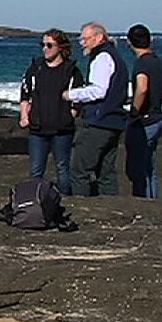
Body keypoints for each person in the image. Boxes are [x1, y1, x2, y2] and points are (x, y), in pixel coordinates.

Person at [62, 22, 129, 196]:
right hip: (113, 121)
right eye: (81, 39)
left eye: (85, 39)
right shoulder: (115, 56)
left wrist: (71, 95)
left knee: (79, 170)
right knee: (106, 171)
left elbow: (98, 91)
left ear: (99, 37)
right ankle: (111, 208)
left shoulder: (102, 57)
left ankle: (82, 210)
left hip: (98, 121)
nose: (82, 43)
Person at [19, 29, 84, 195]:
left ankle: (65, 199)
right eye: (43, 44)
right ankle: (36, 203)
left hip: (62, 128)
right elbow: (25, 94)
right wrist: (25, 116)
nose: (45, 49)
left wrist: (70, 115)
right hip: (38, 128)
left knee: (62, 168)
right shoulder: (35, 69)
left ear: (60, 47)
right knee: (36, 170)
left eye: (49, 45)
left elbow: (78, 99)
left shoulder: (71, 71)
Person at [124, 24, 162, 198]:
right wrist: (160, 97)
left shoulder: (142, 63)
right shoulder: (157, 60)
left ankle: (143, 202)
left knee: (138, 169)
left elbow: (143, 87)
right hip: (157, 117)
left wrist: (135, 110)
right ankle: (153, 200)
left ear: (130, 42)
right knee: (149, 167)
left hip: (144, 120)